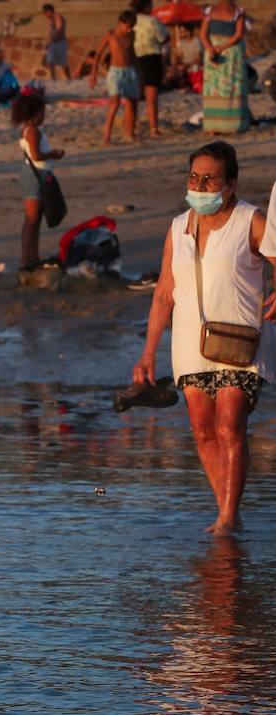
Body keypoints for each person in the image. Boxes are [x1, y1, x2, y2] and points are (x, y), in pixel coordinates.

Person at [132, 142, 275, 536]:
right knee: (202, 429)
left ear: (231, 184)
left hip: (240, 342)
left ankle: (228, 517)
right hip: (190, 345)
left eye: (210, 178)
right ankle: (226, 509)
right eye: (194, 176)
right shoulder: (178, 227)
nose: (200, 184)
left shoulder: (251, 220)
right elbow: (164, 291)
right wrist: (148, 353)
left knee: (230, 425)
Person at [12, 93, 65, 270]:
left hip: (38, 174)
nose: (44, 115)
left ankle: (32, 257)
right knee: (31, 219)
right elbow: (36, 155)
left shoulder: (32, 129)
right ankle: (25, 259)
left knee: (36, 220)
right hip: (35, 175)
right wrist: (53, 154)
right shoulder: (32, 131)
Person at [90, 12, 139, 144]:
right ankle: (107, 136)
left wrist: (138, 72)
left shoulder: (132, 35)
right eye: (127, 26)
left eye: (131, 27)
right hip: (115, 72)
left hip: (130, 71)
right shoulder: (111, 34)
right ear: (120, 23)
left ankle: (130, 133)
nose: (129, 30)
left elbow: (132, 54)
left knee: (132, 103)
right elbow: (99, 53)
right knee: (115, 102)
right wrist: (93, 74)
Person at [201, 1, 249, 134]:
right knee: (232, 87)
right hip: (231, 53)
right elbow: (238, 35)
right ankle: (232, 125)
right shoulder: (238, 11)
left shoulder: (210, 11)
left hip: (213, 52)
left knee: (213, 88)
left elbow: (203, 35)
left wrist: (211, 49)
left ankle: (213, 125)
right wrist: (221, 48)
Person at [131, 0, 168, 138]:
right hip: (151, 58)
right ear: (147, 7)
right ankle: (153, 128)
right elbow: (163, 38)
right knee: (151, 97)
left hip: (134, 58)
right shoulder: (153, 21)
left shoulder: (131, 19)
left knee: (133, 96)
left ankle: (131, 126)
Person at [42, 4, 69, 80]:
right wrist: (49, 41)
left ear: (49, 11)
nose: (45, 15)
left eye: (45, 13)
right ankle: (53, 78)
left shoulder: (58, 17)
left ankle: (68, 78)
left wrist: (53, 38)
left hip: (60, 42)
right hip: (54, 43)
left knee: (63, 63)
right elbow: (51, 31)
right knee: (50, 61)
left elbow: (59, 29)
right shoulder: (51, 19)